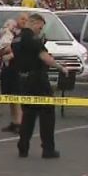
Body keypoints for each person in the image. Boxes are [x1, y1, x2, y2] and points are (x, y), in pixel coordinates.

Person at [13, 14, 61, 159]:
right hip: (37, 79)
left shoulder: (16, 38)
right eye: (40, 27)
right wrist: (61, 68)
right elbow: (44, 57)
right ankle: (48, 148)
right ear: (33, 23)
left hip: (23, 79)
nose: (40, 30)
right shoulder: (32, 38)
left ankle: (23, 146)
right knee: (47, 112)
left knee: (28, 114)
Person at [0, 15, 27, 133]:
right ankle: (14, 122)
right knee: (10, 97)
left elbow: (18, 51)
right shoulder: (10, 35)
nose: (23, 21)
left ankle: (19, 123)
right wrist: (3, 52)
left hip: (16, 69)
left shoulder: (23, 36)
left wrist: (8, 52)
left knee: (17, 97)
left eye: (26, 19)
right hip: (7, 69)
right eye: (22, 18)